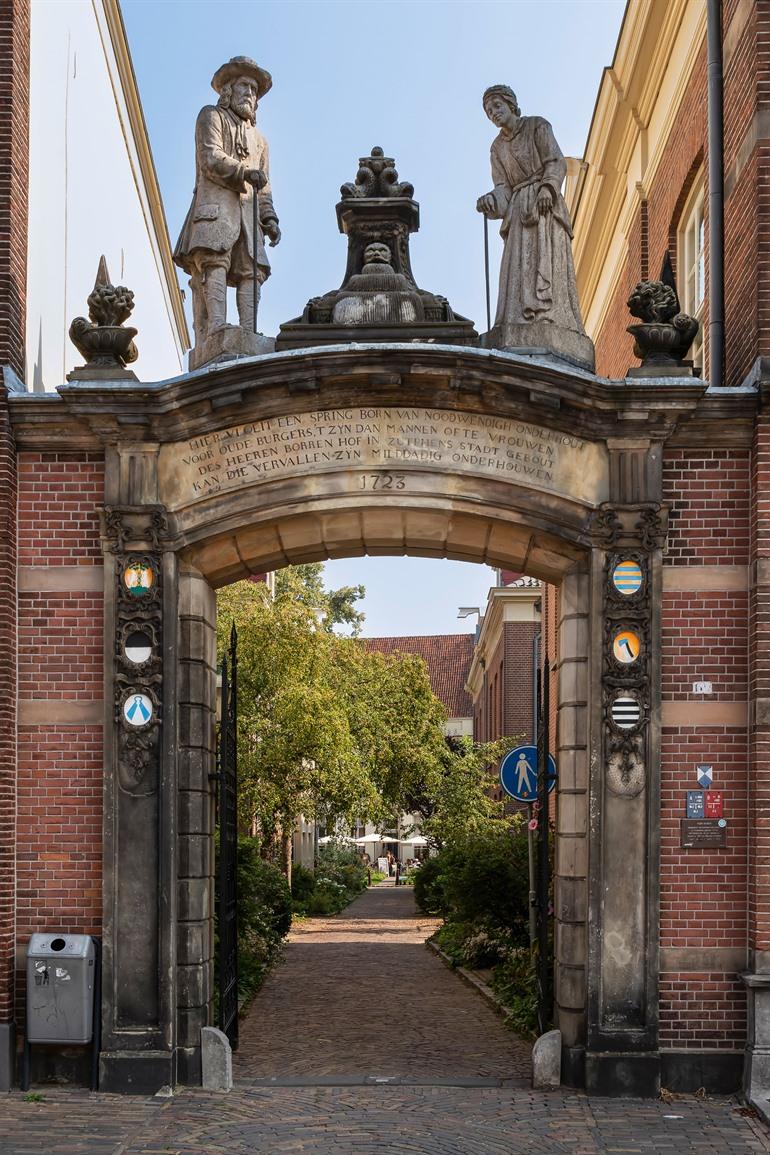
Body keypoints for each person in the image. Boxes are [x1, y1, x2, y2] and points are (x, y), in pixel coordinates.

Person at [174, 56, 281, 346]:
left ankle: (250, 332)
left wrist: (269, 217)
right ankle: (216, 329)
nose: (250, 93)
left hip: (249, 216)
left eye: (254, 90)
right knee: (215, 261)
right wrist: (244, 172)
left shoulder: (260, 141)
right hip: (216, 210)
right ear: (228, 90)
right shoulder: (211, 116)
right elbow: (210, 158)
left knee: (252, 271)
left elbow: (265, 186)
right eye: (244, 85)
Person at [475, 85, 585, 339]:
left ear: (511, 105)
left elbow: (555, 161)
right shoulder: (496, 148)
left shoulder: (537, 126)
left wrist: (548, 187)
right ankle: (517, 320)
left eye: (497, 106)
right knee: (518, 267)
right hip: (518, 211)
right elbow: (503, 188)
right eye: (489, 111)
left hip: (544, 205)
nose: (494, 113)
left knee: (546, 259)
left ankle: (552, 316)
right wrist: (491, 200)